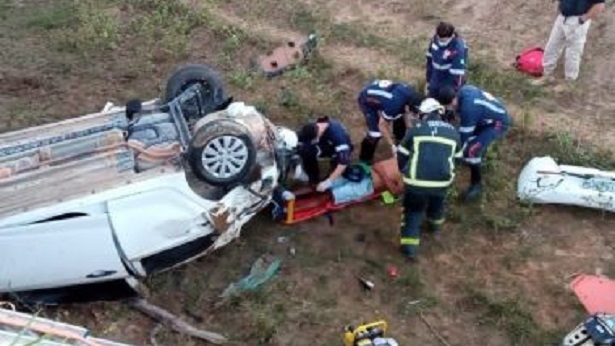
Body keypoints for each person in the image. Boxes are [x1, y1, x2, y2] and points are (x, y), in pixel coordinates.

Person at [396, 98, 460, 260]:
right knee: (437, 204)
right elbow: (457, 159)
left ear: (423, 114)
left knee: (412, 212)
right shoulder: (454, 132)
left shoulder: (416, 129)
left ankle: (409, 248)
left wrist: (404, 171)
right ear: (440, 112)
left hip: (415, 183)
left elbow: (401, 157)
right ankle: (434, 226)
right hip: (442, 182)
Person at [436, 84, 511, 201]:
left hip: (497, 123)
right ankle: (471, 160)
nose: (450, 108)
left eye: (450, 105)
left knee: (472, 150)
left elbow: (463, 139)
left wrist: (449, 155)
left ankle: (476, 184)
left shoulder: (469, 109)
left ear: (454, 98)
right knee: (464, 139)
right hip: (484, 117)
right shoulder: (463, 91)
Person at [534, 0, 605, 86]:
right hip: (562, 17)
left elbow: (599, 5)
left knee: (573, 53)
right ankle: (547, 75)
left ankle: (569, 83)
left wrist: (582, 19)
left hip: (577, 20)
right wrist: (559, 11)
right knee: (552, 46)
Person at [357, 80, 423, 165]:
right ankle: (364, 160)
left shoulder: (411, 94)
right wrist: (391, 145)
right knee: (375, 133)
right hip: (367, 100)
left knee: (399, 117)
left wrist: (409, 127)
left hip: (387, 97)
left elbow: (405, 112)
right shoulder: (394, 106)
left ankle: (400, 143)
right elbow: (382, 125)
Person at [296, 116, 354, 192]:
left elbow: (343, 163)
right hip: (323, 144)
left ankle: (331, 177)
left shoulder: (338, 136)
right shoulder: (311, 127)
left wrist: (329, 182)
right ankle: (313, 178)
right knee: (306, 150)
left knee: (339, 170)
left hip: (336, 150)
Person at [425, 22, 468, 98]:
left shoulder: (458, 48)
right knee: (431, 98)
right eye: (439, 39)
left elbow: (458, 75)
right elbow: (429, 60)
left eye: (443, 41)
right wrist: (428, 81)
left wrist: (455, 92)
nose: (440, 42)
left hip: (450, 80)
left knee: (446, 99)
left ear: (451, 36)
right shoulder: (435, 39)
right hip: (436, 77)